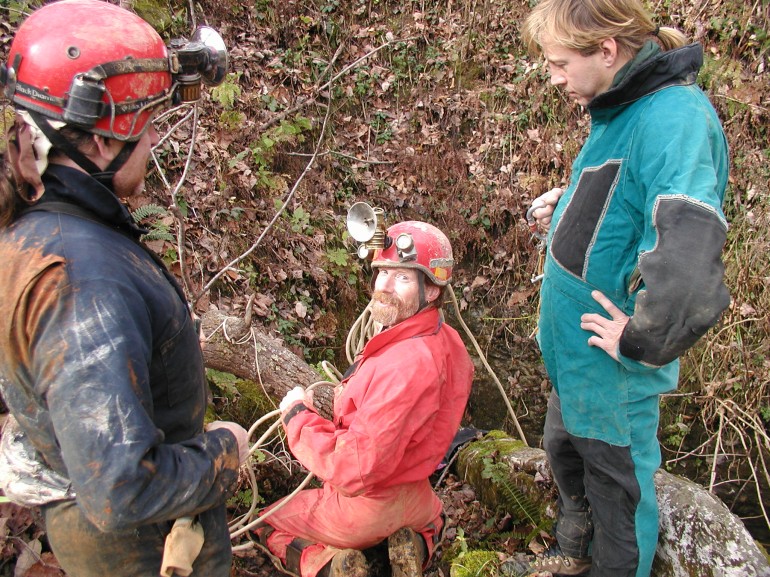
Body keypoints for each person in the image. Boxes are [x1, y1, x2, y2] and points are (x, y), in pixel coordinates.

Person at [0, 1, 250, 576]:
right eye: (146, 122)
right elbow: (120, 489)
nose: (156, 136)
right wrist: (224, 455)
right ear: (98, 143)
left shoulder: (41, 230)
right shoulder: (84, 280)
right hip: (145, 550)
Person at [520, 1, 730, 576]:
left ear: (607, 51)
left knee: (618, 500)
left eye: (561, 63)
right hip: (574, 360)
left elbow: (687, 260)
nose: (554, 76)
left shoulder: (674, 118)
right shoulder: (619, 110)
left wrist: (639, 338)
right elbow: (626, 207)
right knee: (565, 454)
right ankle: (570, 554)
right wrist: (563, 206)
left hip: (611, 373)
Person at [255, 221, 474, 577]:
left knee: (267, 523)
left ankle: (327, 566)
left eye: (402, 277)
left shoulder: (402, 365)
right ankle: (414, 546)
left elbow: (353, 469)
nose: (384, 287)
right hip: (416, 497)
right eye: (383, 272)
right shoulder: (449, 343)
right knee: (435, 520)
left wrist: (297, 416)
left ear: (432, 290)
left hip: (363, 508)